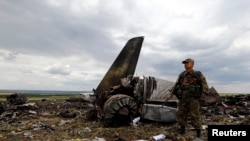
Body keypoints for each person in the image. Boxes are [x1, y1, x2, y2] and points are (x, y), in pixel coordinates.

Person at [167, 58, 209, 138]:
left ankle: (198, 133)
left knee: (194, 115)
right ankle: (182, 130)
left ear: (192, 64)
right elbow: (176, 85)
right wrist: (171, 94)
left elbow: (204, 85)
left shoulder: (197, 74)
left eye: (187, 63)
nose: (185, 64)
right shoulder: (182, 74)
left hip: (193, 99)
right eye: (184, 63)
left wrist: (202, 96)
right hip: (183, 98)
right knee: (181, 114)